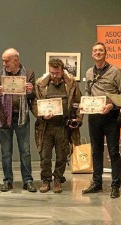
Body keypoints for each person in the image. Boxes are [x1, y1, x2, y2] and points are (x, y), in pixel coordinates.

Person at [31, 58, 82, 193]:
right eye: (52, 72)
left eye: (57, 73)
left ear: (62, 70)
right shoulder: (40, 84)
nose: (54, 75)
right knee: (45, 156)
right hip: (45, 127)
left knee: (62, 156)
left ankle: (58, 179)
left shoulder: (71, 84)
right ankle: (46, 180)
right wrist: (41, 115)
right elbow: (34, 104)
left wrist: (78, 119)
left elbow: (78, 103)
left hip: (63, 127)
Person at [0, 48, 37, 192]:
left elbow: (33, 96)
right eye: (3, 61)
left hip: (22, 117)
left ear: (15, 60)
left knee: (25, 151)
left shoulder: (29, 73)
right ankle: (7, 180)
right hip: (5, 117)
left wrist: (30, 91)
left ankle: (28, 181)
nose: (4, 64)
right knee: (6, 152)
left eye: (6, 61)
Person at [82, 42, 121, 198]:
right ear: (92, 54)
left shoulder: (115, 72)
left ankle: (115, 185)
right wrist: (84, 105)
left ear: (106, 53)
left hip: (111, 116)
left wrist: (111, 105)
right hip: (94, 117)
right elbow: (87, 92)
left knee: (113, 151)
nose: (98, 53)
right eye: (95, 51)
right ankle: (97, 182)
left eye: (101, 50)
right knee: (96, 151)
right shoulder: (88, 72)